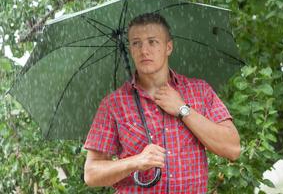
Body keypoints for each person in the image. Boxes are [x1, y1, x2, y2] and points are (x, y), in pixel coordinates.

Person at [84, 13, 240, 193]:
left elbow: (232, 148)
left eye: (152, 42)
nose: (144, 51)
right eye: (136, 43)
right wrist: (135, 161)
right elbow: (91, 173)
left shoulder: (200, 91)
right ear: (131, 49)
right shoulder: (114, 104)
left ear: (168, 47)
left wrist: (183, 110)